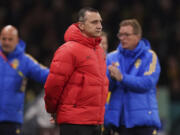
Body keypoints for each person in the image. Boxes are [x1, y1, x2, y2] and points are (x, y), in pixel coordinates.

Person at [44, 7, 109, 135]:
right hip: (74, 123)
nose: (99, 26)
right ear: (81, 25)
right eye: (94, 22)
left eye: (100, 22)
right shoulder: (68, 50)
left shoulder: (99, 51)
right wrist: (52, 110)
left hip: (95, 122)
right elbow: (53, 85)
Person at [104, 19, 161, 135]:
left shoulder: (150, 56)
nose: (122, 38)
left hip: (143, 122)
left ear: (138, 36)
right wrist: (111, 78)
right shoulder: (111, 57)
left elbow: (147, 83)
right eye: (120, 34)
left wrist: (122, 78)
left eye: (127, 35)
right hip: (118, 123)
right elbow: (105, 88)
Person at [0, 25, 49, 135]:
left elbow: (45, 75)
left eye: (10, 39)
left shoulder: (24, 60)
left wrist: (67, 74)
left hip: (11, 119)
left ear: (17, 40)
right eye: (4, 39)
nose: (6, 42)